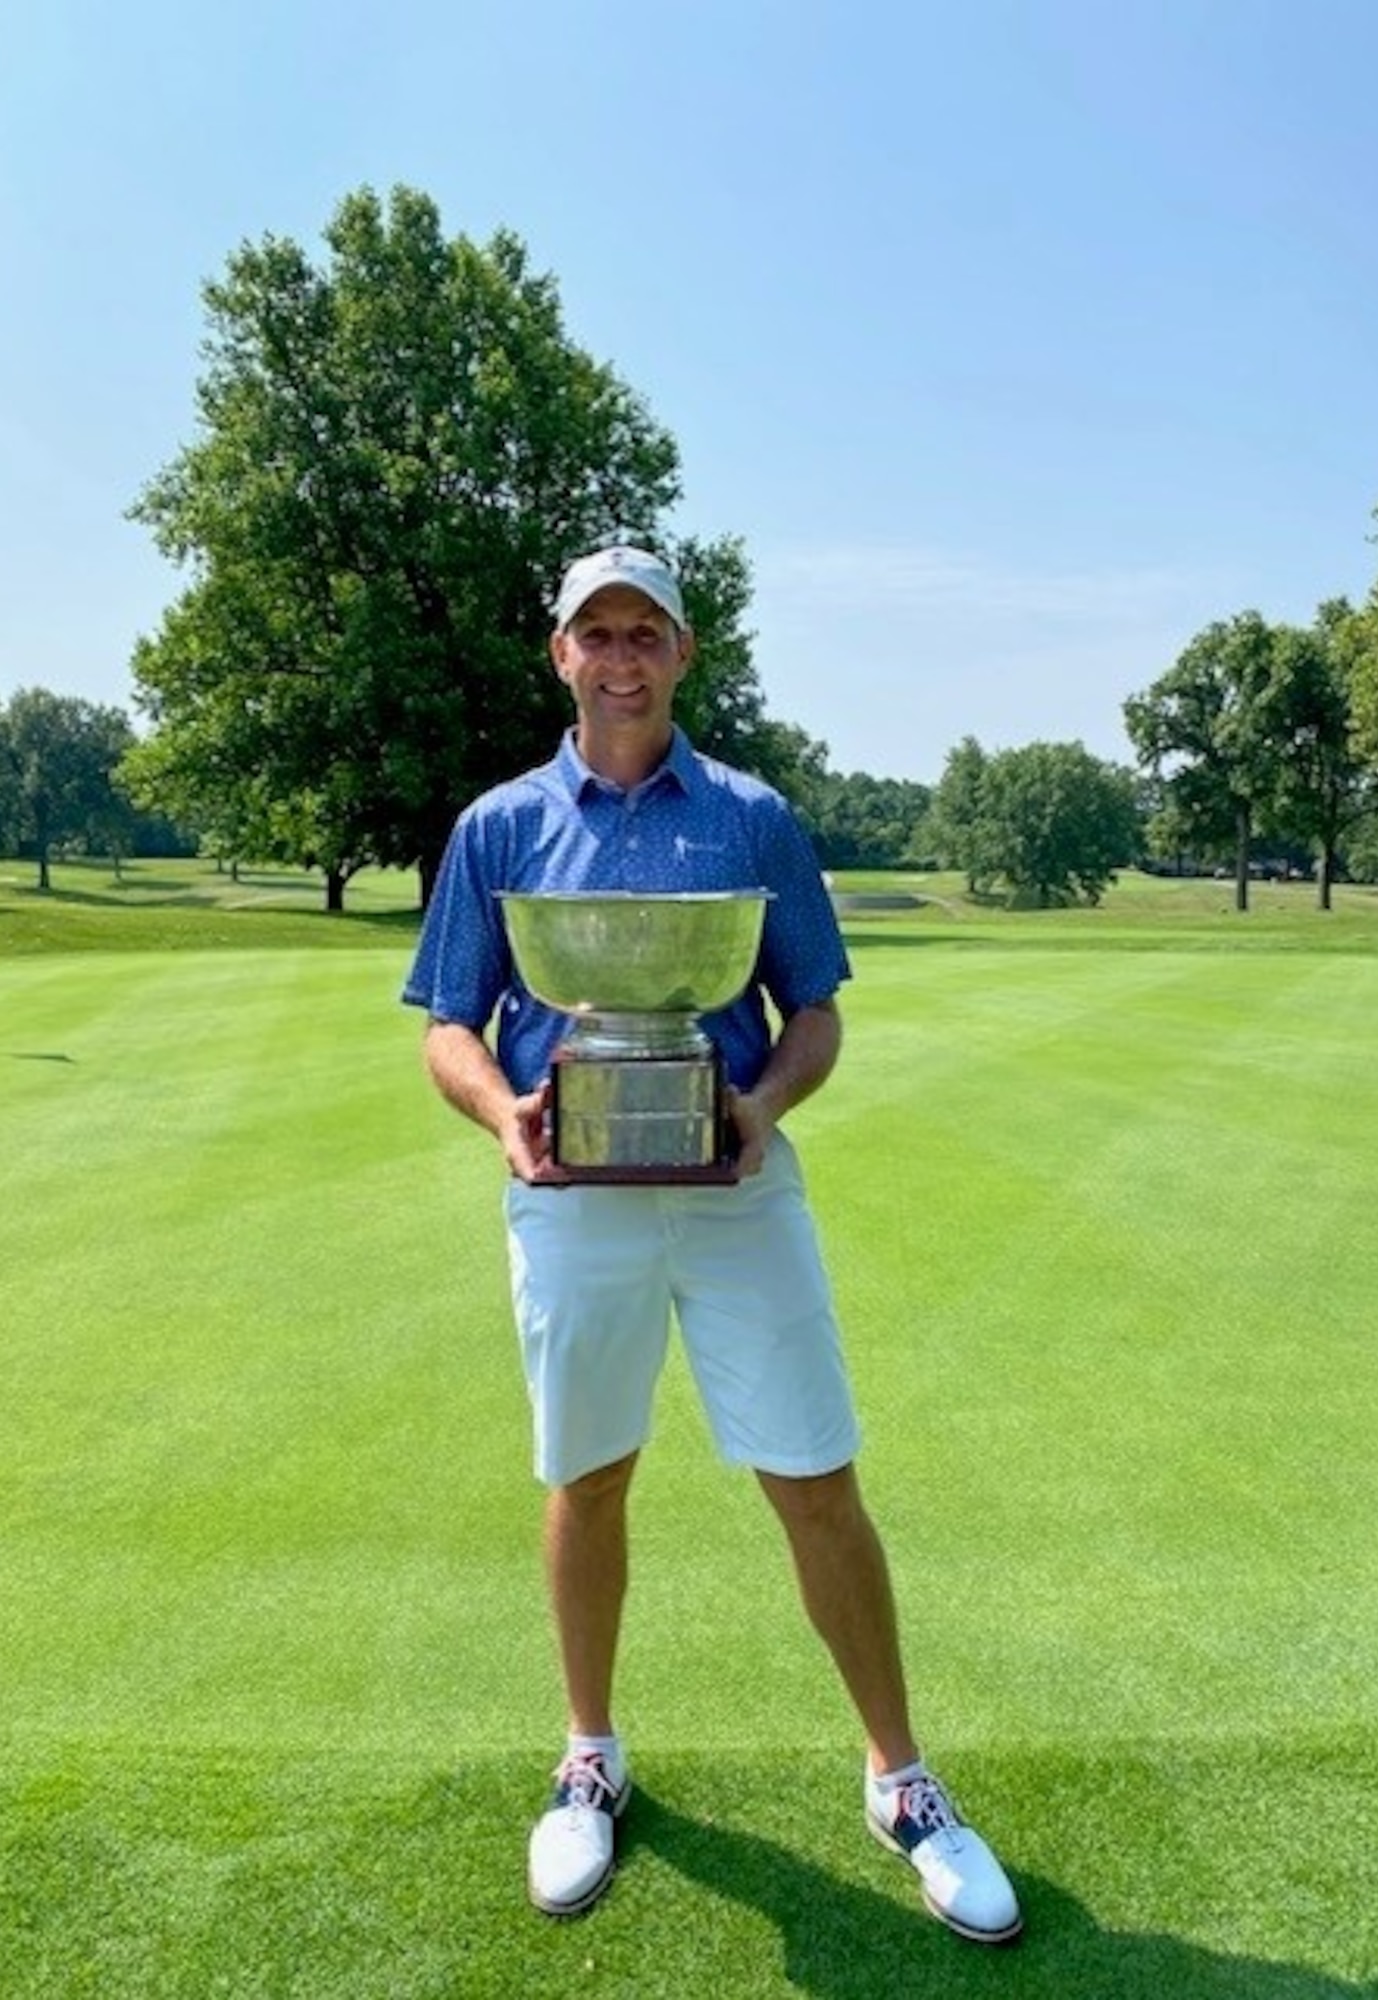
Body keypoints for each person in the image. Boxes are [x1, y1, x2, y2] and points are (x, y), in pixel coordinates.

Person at [402, 544, 1022, 1945]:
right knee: (588, 1473)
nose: (620, 657)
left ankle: (902, 1779)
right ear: (559, 654)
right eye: (594, 634)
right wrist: (508, 1114)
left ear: (682, 653)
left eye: (645, 633)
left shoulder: (753, 818)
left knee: (814, 1475)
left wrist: (760, 1104)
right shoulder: (499, 826)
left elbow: (815, 1008)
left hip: (734, 1177)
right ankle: (590, 1756)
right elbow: (448, 1020)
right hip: (570, 1196)